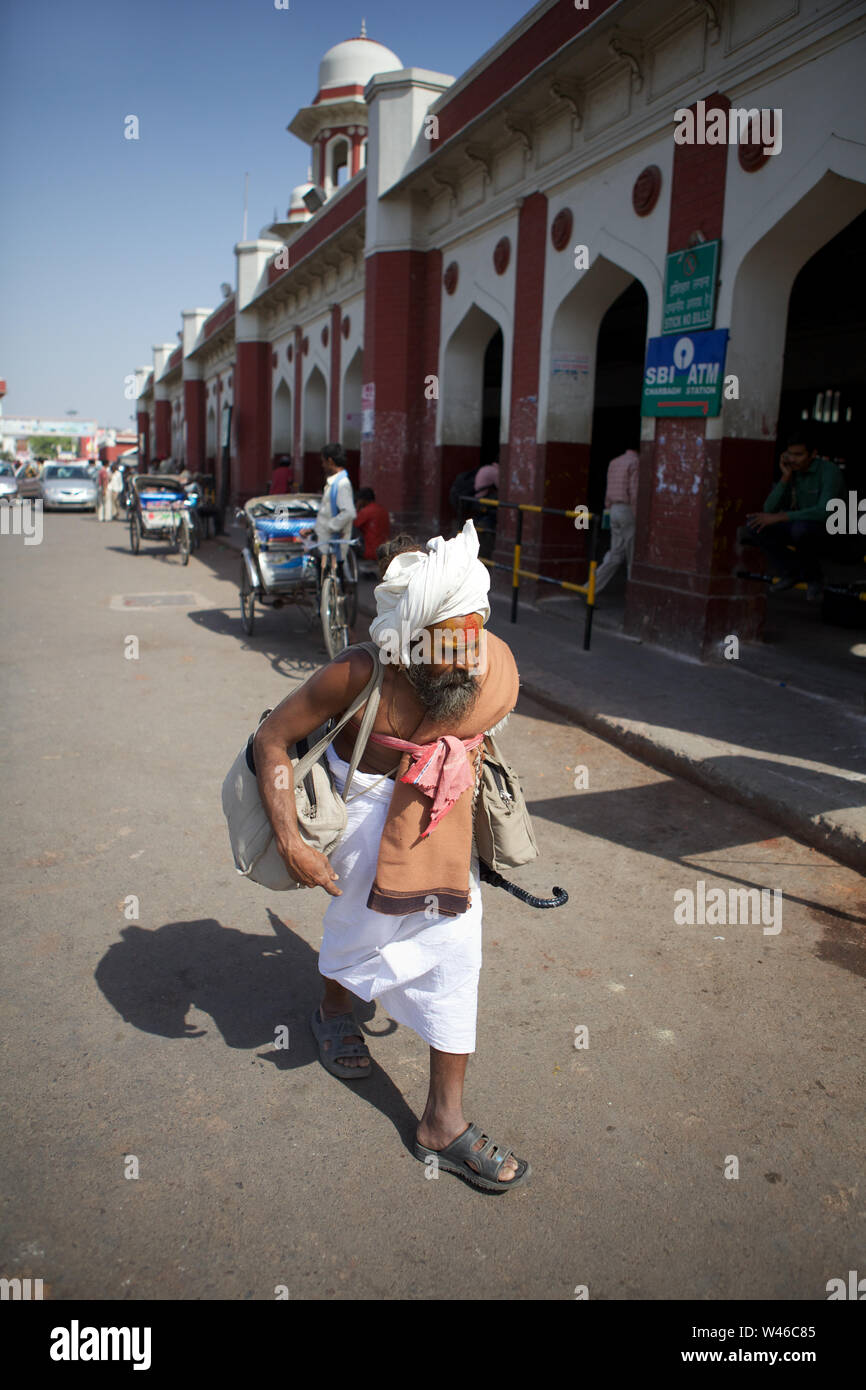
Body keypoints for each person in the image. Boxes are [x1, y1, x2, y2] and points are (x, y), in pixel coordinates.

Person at [252, 519, 529, 1191]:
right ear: (406, 643)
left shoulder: (493, 669)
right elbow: (270, 740)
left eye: (474, 643)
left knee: (459, 958)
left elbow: (481, 738)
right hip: (364, 816)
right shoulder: (358, 672)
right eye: (449, 648)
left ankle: (442, 1120)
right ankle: (333, 1010)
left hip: (442, 833)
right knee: (358, 931)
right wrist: (290, 839)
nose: (467, 661)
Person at [742, 431, 844, 600]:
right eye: (790, 454)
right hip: (801, 526)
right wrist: (785, 477)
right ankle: (791, 572)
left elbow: (825, 511)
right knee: (755, 525)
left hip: (832, 531)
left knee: (800, 529)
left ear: (813, 454)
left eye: (799, 455)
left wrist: (781, 517)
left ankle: (814, 578)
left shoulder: (829, 472)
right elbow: (769, 508)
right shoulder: (792, 472)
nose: (793, 459)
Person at [299, 442, 356, 574]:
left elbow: (349, 512)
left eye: (323, 462)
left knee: (331, 579)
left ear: (330, 461)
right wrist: (313, 529)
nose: (323, 465)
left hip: (333, 545)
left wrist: (329, 527)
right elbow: (327, 513)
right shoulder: (335, 483)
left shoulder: (342, 484)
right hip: (325, 543)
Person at [590, 447, 639, 595]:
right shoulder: (636, 462)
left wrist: (608, 508)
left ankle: (590, 588)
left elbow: (608, 489)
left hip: (613, 510)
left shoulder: (614, 462)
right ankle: (633, 593)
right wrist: (637, 517)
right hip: (627, 510)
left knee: (614, 555)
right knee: (633, 556)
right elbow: (635, 493)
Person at [353, 486, 390, 575]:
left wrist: (357, 508)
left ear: (363, 500)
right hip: (383, 548)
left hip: (370, 550)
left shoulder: (366, 511)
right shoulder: (383, 510)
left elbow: (354, 524)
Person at [472, 463, 499, 561]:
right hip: (485, 502)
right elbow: (501, 487)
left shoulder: (485, 468)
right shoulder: (495, 472)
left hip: (477, 500)